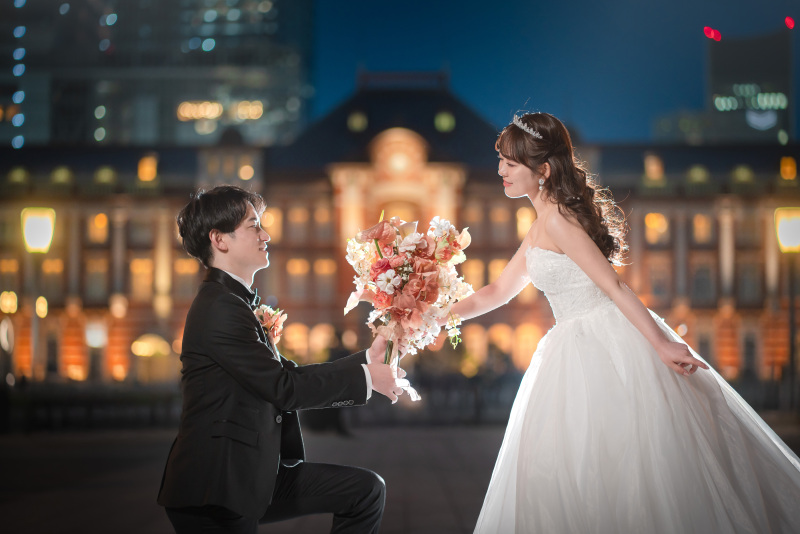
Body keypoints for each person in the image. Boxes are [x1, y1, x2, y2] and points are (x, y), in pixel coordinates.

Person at [447, 112, 800, 533]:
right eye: (500, 160)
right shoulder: (542, 224)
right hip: (572, 343)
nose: (500, 171)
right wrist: (432, 315)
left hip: (602, 342)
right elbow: (496, 292)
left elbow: (614, 286)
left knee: (613, 463)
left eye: (510, 163)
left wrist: (660, 344)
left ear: (543, 170)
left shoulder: (557, 219)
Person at [157, 185, 407, 534]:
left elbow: (289, 374)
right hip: (215, 487)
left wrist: (368, 359)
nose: (266, 235)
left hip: (252, 473)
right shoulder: (219, 307)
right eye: (253, 226)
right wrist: (368, 378)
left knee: (364, 491)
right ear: (220, 239)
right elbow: (284, 388)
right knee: (363, 491)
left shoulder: (234, 303)